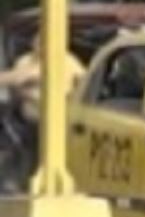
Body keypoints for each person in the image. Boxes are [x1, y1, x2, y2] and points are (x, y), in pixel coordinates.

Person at [0, 24, 87, 190]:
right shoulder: (25, 61)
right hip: (28, 119)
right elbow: (15, 82)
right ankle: (18, 182)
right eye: (38, 41)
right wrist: (27, 85)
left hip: (58, 120)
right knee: (25, 150)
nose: (40, 45)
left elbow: (84, 79)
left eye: (45, 41)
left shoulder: (68, 61)